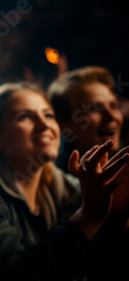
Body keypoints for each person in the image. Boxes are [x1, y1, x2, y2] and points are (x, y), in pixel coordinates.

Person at [0, 82, 129, 281]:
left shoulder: (72, 188)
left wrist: (118, 218)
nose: (45, 124)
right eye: (25, 117)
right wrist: (88, 217)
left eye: (48, 115)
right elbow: (15, 276)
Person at [47, 66, 129, 280]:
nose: (112, 116)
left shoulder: (123, 168)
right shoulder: (53, 187)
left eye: (113, 105)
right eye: (95, 108)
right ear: (64, 124)